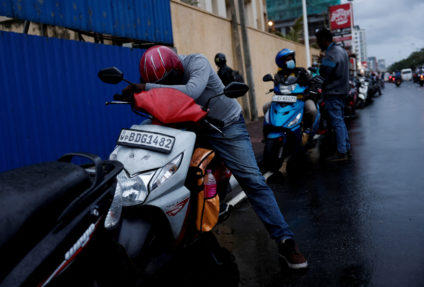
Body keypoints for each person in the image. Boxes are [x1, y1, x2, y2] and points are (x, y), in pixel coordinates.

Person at [122, 45, 308, 269]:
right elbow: (159, 98)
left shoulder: (196, 62)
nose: (167, 85)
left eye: (169, 80)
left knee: (253, 180)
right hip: (188, 124)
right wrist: (135, 95)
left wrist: (146, 87)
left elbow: (191, 91)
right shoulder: (161, 78)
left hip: (225, 126)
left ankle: (285, 240)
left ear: (176, 67)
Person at [315, 27, 351, 161]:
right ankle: (346, 147)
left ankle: (342, 152)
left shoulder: (331, 54)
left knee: (337, 122)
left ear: (324, 40)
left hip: (333, 92)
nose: (318, 44)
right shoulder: (341, 51)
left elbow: (324, 74)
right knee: (340, 121)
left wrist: (315, 81)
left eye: (318, 41)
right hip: (342, 91)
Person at [273, 48, 319, 146]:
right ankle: (271, 133)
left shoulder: (301, 71)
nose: (290, 61)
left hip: (301, 99)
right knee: (266, 107)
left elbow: (310, 80)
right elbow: (276, 87)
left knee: (312, 109)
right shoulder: (278, 75)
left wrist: (312, 86)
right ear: (281, 62)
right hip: (284, 101)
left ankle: (307, 129)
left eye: (291, 58)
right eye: (287, 59)